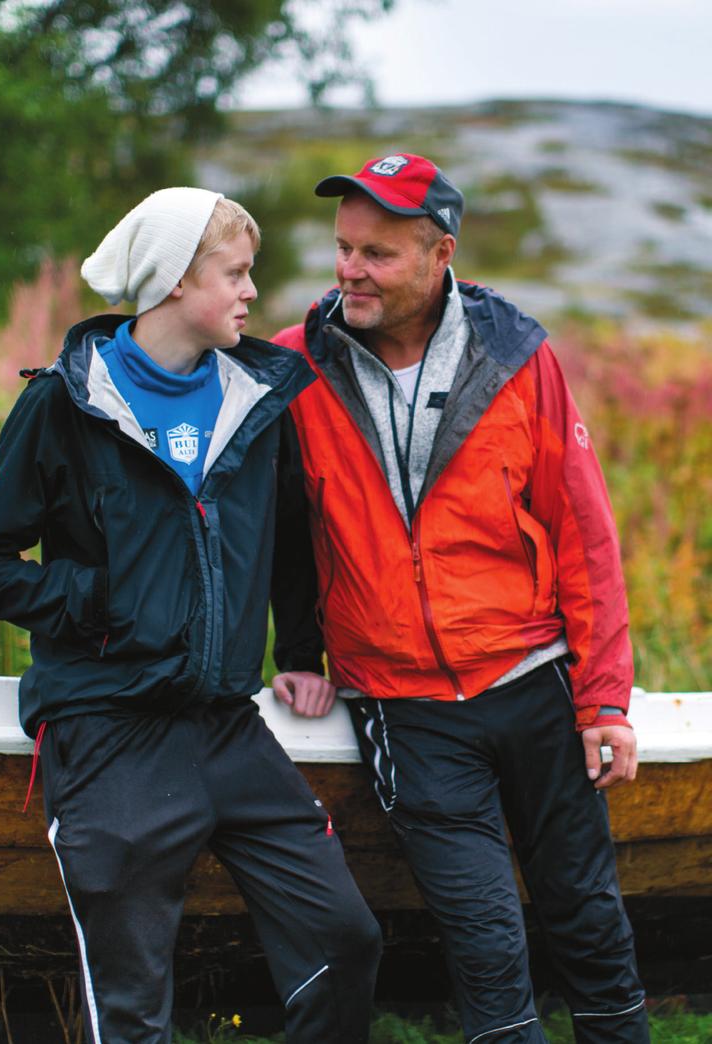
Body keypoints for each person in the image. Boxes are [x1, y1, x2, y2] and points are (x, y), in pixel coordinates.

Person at [0, 187, 381, 1044]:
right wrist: (99, 604)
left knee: (345, 935)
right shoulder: (65, 404)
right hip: (109, 732)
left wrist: (299, 651)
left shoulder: (257, 401)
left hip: (227, 727)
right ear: (177, 282)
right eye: (236, 273)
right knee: (133, 1006)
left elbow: (290, 540)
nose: (254, 294)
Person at [270, 154, 649, 1044]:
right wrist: (295, 653)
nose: (349, 271)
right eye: (343, 248)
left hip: (534, 682)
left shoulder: (519, 355)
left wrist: (604, 697)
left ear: (441, 253)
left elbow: (584, 530)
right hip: (404, 707)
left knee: (588, 917)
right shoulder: (294, 366)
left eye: (378, 255)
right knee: (487, 945)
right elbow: (280, 530)